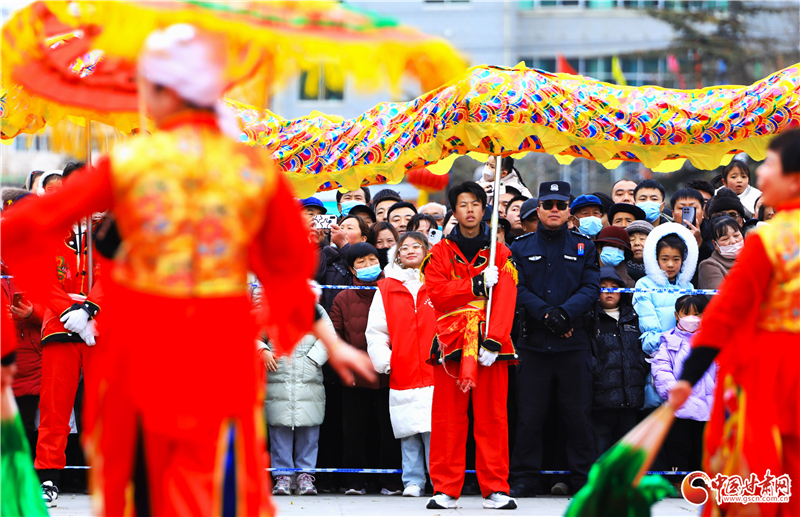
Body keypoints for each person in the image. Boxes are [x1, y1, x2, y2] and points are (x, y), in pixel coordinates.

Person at [0, 24, 375, 516]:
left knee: (147, 478)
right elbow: (289, 270)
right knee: (221, 475)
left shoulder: (136, 162)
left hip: (146, 347)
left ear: (161, 93)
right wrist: (332, 343)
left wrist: (63, 285)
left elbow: (24, 227)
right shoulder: (248, 168)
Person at [668, 128, 800, 517]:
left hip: (768, 370)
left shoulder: (770, 240)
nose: (761, 175)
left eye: (769, 165)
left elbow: (725, 314)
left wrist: (689, 375)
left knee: (754, 471)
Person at [422, 181, 518, 510]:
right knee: (447, 419)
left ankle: (496, 488)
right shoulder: (439, 252)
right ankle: (445, 488)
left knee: (493, 418)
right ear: (454, 210)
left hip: (491, 342)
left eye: (475, 204)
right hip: (451, 341)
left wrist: (495, 339)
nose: (470, 210)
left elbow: (506, 297)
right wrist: (476, 284)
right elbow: (437, 294)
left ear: (483, 208)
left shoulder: (499, 253)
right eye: (463, 204)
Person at [509, 181, 600, 498]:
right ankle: (525, 478)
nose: (554, 210)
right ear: (538, 209)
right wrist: (547, 314)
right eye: (548, 205)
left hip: (573, 343)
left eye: (560, 205)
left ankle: (582, 480)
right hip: (534, 343)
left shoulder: (584, 246)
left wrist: (564, 314)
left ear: (568, 210)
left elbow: (591, 287)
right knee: (529, 417)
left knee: (578, 416)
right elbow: (516, 288)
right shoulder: (520, 247)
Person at [33, 167, 103, 507]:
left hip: (99, 330)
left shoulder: (107, 231)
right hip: (60, 329)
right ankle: (48, 477)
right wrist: (69, 312)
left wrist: (89, 309)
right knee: (54, 408)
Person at [366, 232, 436, 498]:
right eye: (403, 248)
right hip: (403, 368)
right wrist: (386, 361)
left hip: (436, 368)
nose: (410, 251)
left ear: (427, 250)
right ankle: (413, 481)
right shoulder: (386, 288)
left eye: (416, 246)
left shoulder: (439, 281)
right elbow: (376, 331)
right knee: (408, 432)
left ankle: (440, 481)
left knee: (436, 432)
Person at [329, 243, 402, 496]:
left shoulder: (392, 291)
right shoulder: (342, 298)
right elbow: (335, 336)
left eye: (372, 259)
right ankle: (354, 482)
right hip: (355, 376)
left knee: (389, 430)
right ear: (352, 269)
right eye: (361, 262)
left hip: (390, 373)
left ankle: (391, 481)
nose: (368, 265)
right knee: (354, 430)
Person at [260, 308, 332, 497]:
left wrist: (313, 360)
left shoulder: (314, 309)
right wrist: (263, 350)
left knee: (309, 429)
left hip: (308, 380)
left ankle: (305, 475)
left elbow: (330, 335)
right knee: (279, 428)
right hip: (278, 379)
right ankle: (282, 476)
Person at [633, 223, 698, 408]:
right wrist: (663, 348)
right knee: (658, 403)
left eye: (676, 259)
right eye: (664, 259)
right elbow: (648, 324)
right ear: (655, 259)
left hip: (685, 356)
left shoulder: (688, 287)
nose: (670, 264)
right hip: (658, 355)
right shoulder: (644, 285)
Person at [652, 295, 714, 474]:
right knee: (679, 446)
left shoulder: (711, 341)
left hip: (708, 407)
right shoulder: (668, 341)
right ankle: (678, 480)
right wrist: (673, 392)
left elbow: (722, 368)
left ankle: (702, 480)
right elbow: (661, 369)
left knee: (704, 448)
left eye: (697, 313)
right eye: (686, 313)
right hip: (680, 407)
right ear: (676, 315)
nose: (692, 317)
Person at [589, 267, 648, 455]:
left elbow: (641, 349)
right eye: (603, 287)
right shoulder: (590, 320)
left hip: (631, 398)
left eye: (614, 287)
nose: (609, 291)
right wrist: (597, 371)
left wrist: (640, 366)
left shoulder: (633, 318)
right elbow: (587, 354)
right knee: (600, 450)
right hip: (601, 400)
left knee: (625, 452)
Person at [697, 216, 743, 290]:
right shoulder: (709, 266)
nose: (733, 241)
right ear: (715, 244)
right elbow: (722, 295)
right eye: (725, 239)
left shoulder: (752, 260)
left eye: (736, 236)